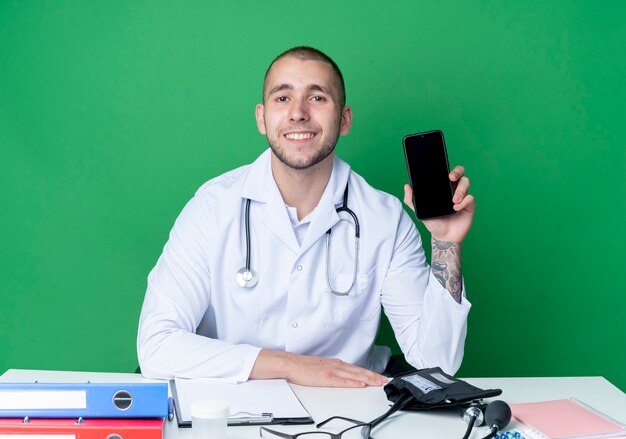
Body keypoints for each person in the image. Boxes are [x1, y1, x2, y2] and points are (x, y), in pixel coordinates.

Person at [137, 46, 474, 388]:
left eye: (317, 98)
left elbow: (436, 361)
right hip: (232, 406)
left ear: (344, 120)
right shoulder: (212, 207)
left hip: (348, 409)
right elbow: (155, 344)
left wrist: (446, 241)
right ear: (261, 117)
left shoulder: (386, 219)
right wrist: (289, 366)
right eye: (282, 98)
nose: (298, 113)